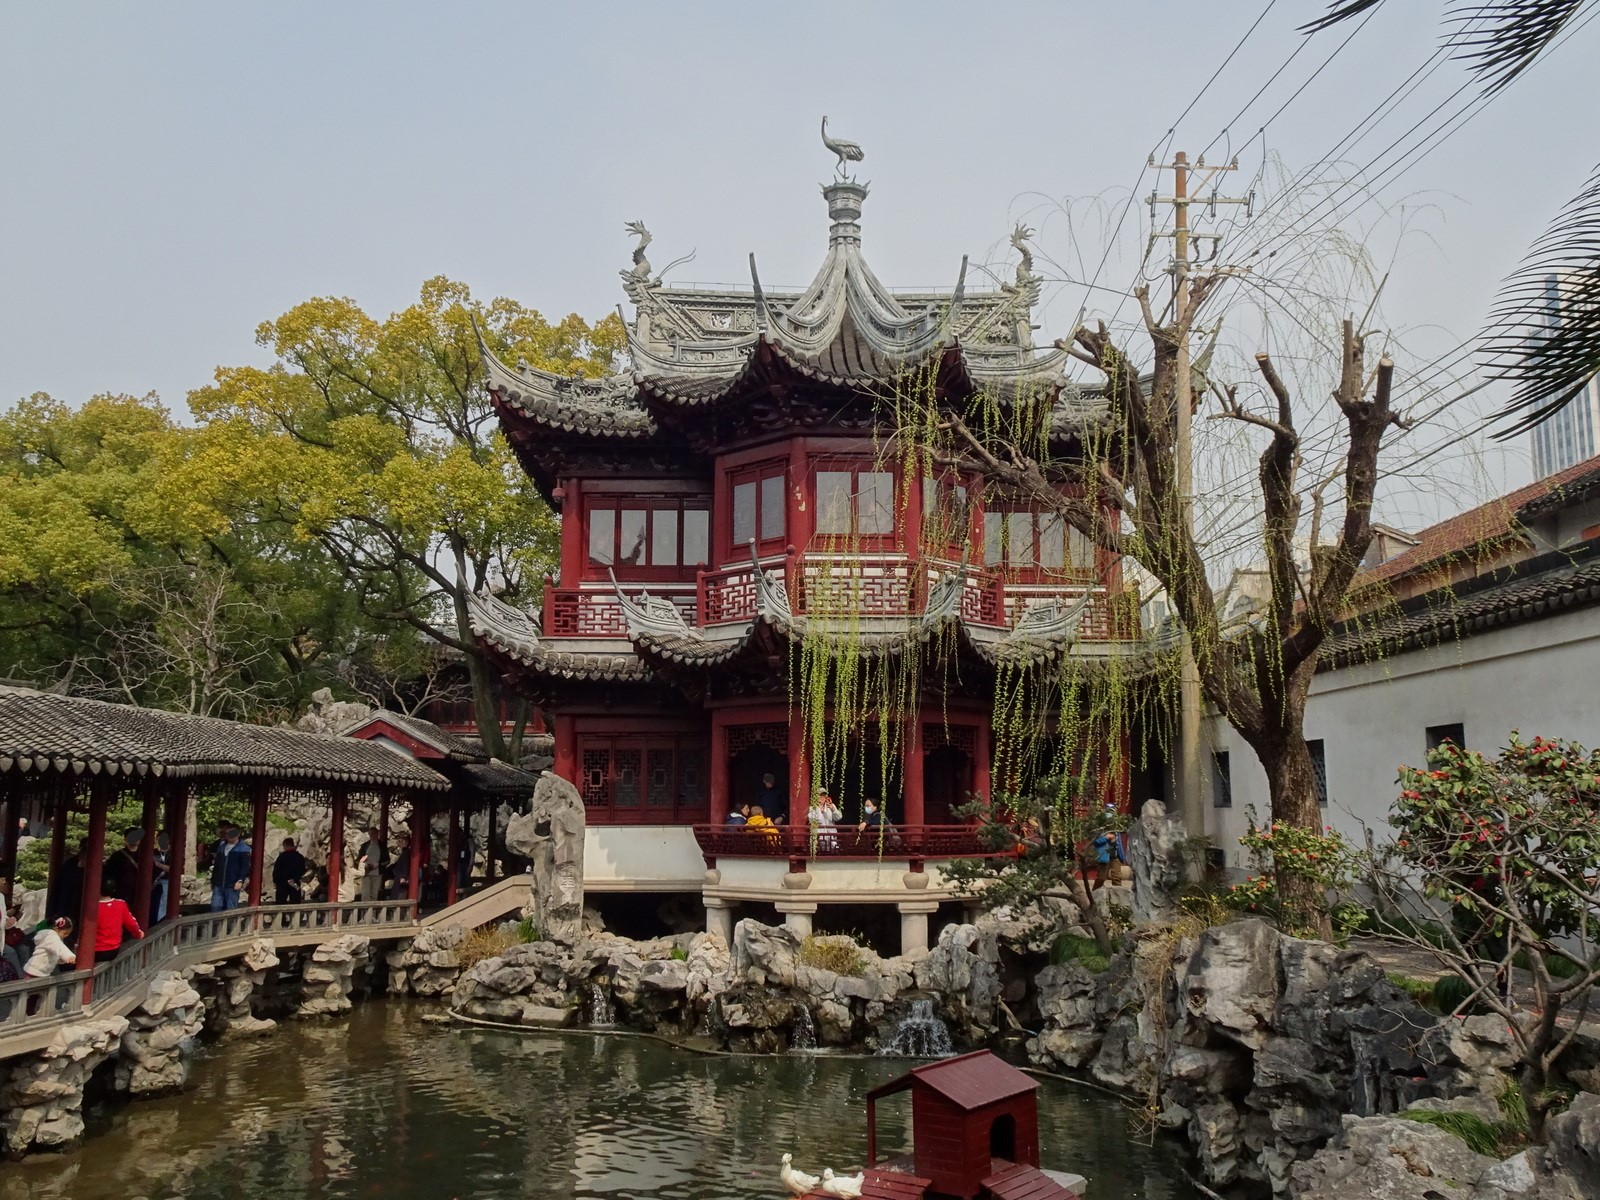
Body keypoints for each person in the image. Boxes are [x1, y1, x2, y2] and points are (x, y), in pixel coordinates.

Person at [93, 875, 144, 960]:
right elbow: (131, 924)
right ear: (114, 890)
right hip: (113, 950)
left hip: (95, 951)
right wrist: (138, 934)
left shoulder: (93, 907)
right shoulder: (120, 904)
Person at [210, 825, 250, 911]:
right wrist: (213, 880)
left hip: (232, 884)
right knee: (215, 906)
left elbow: (244, 866)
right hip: (219, 883)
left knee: (231, 908)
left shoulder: (244, 848)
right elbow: (217, 865)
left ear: (237, 834)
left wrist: (240, 880)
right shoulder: (221, 847)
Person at [47, 842, 87, 923]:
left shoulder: (94, 866)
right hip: (66, 901)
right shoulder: (70, 865)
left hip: (82, 902)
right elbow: (59, 887)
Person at [105, 827, 143, 908]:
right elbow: (108, 874)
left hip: (140, 894)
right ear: (125, 839)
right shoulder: (117, 856)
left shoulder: (145, 856)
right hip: (121, 894)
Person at [1091, 806, 1125, 891]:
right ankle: (1094, 894)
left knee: (1117, 877)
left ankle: (1119, 895)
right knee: (1101, 878)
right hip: (1104, 855)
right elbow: (1095, 841)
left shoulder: (1117, 828)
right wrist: (1106, 837)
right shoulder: (1099, 828)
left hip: (1115, 856)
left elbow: (1119, 843)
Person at [273, 837, 308, 904]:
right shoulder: (299, 857)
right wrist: (295, 879)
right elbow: (302, 870)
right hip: (295, 882)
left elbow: (277, 871)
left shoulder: (282, 857)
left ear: (285, 845)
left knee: (280, 903)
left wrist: (276, 881)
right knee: (296, 901)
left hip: (282, 883)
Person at [357, 828, 388, 902]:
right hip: (366, 873)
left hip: (377, 873)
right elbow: (359, 859)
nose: (373, 835)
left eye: (375, 833)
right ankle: (365, 909)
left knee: (374, 895)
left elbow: (387, 860)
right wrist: (364, 865)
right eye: (371, 834)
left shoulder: (382, 846)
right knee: (365, 894)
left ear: (378, 834)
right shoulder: (364, 846)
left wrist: (378, 864)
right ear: (369, 835)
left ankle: (372, 909)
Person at [152, 829, 172, 922]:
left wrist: (158, 864)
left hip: (167, 882)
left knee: (164, 905)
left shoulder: (173, 853)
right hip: (154, 883)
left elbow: (172, 869)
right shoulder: (153, 852)